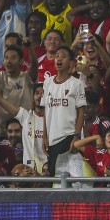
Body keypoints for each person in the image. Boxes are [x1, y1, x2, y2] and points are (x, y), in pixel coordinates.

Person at [41, 46, 86, 176]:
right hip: (52, 138)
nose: (59, 59)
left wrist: (76, 136)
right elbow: (45, 111)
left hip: (69, 136)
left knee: (69, 176)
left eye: (63, 56)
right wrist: (45, 136)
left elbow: (81, 112)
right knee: (54, 176)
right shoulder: (47, 82)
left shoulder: (76, 84)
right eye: (57, 56)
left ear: (72, 63)